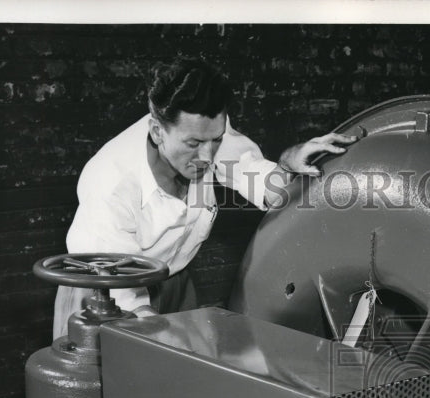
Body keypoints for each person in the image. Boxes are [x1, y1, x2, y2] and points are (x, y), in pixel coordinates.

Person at [52, 56, 356, 340]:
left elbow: (262, 183)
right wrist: (163, 339)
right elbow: (124, 297)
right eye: (193, 143)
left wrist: (289, 162)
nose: (207, 156)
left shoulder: (206, 134)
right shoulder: (111, 182)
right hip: (103, 295)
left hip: (173, 281)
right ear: (157, 132)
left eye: (216, 140)